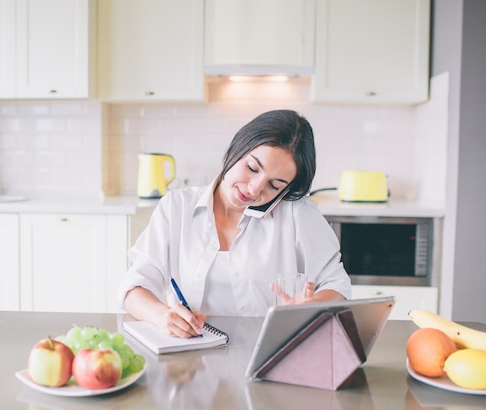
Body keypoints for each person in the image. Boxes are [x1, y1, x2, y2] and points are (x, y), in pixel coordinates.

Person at [117, 110, 351, 338]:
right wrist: (162, 315)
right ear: (237, 147)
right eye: (251, 168)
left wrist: (310, 308)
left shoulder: (298, 214)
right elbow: (134, 287)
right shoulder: (176, 207)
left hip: (268, 355)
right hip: (190, 360)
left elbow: (336, 285)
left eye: (275, 185)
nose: (254, 189)